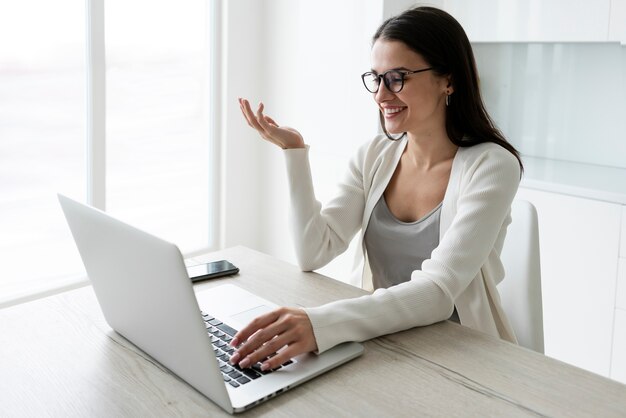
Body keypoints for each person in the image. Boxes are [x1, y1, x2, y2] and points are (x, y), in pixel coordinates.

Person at [230, 6, 523, 372]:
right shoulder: (374, 154)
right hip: (384, 339)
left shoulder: (492, 166)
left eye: (398, 77)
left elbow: (437, 293)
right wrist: (294, 152)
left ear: (448, 80)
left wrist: (321, 324)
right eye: (376, 78)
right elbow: (314, 250)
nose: (381, 95)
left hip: (462, 354)